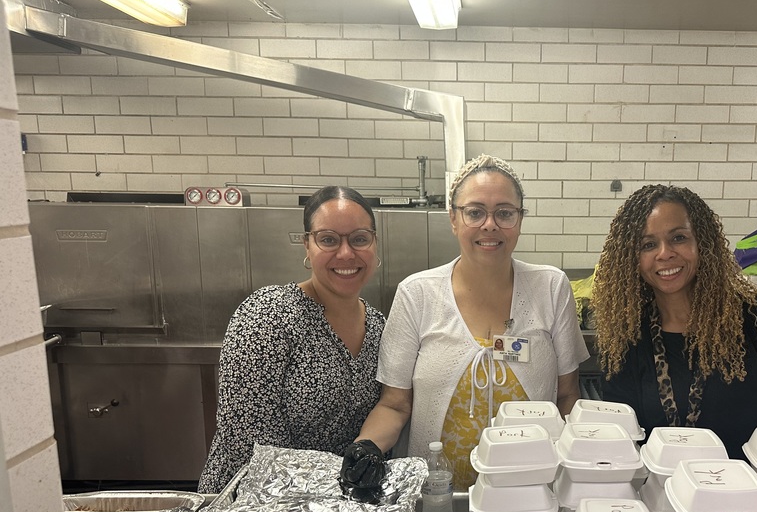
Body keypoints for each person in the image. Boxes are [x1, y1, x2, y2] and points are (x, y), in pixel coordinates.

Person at [347, 154, 590, 490]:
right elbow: (394, 404)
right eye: (475, 212)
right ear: (453, 219)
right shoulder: (417, 294)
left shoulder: (550, 288)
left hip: (531, 491)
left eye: (505, 213)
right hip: (438, 497)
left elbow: (568, 396)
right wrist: (367, 446)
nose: (490, 225)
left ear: (519, 219)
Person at [591, 184, 757, 460]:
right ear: (632, 259)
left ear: (703, 243)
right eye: (648, 245)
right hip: (664, 495)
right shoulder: (626, 336)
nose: (664, 253)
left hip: (755, 493)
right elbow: (621, 442)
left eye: (678, 238)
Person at [197, 185, 385, 493]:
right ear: (307, 246)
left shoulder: (379, 328)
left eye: (360, 239)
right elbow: (250, 443)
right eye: (328, 240)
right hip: (250, 510)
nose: (346, 253)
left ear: (375, 244)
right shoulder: (268, 316)